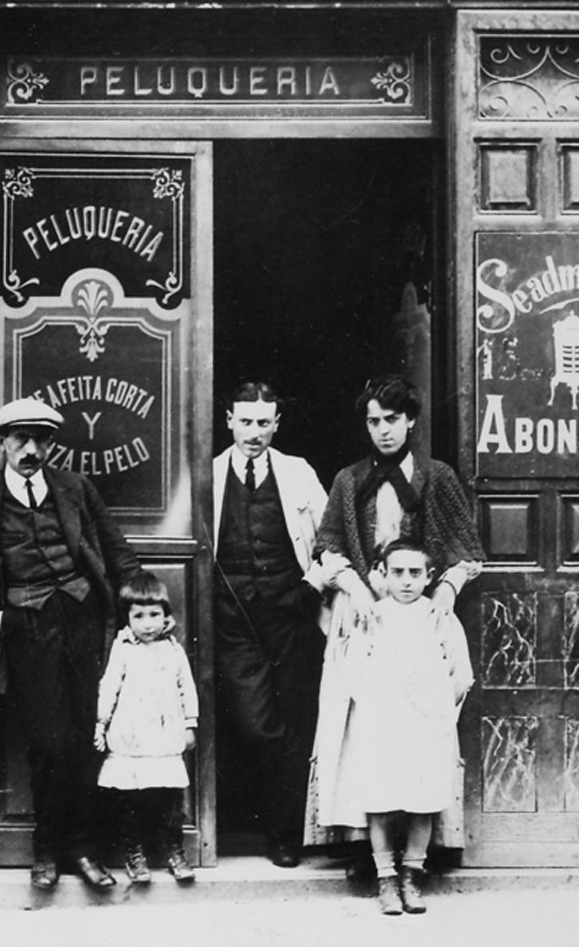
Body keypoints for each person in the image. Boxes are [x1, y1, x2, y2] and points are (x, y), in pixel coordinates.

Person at [305, 375, 484, 868]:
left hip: (418, 616)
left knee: (418, 728)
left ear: (410, 421)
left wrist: (447, 586)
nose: (382, 430)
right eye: (373, 421)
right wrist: (356, 586)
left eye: (391, 420)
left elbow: (466, 549)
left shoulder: (438, 476)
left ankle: (420, 852)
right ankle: (363, 843)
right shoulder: (348, 479)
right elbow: (328, 546)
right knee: (363, 724)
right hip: (363, 616)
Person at [0, 397, 141, 892]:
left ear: (50, 444)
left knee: (88, 735)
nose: (30, 449)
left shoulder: (74, 487)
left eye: (40, 439)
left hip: (83, 618)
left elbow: (115, 546)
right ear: (1, 442)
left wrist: (138, 600)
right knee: (46, 743)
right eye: (19, 439)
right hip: (27, 627)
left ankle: (82, 849)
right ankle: (45, 850)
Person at [213, 381, 329, 867]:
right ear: (229, 421)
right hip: (233, 619)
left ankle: (284, 835)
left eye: (264, 422)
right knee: (256, 726)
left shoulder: (297, 472)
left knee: (294, 723)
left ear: (277, 424)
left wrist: (310, 586)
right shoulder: (210, 471)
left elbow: (332, 539)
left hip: (291, 616)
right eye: (246, 421)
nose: (254, 432)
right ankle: (247, 823)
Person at [328, 539, 473, 915]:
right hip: (383, 723)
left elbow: (463, 671)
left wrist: (440, 709)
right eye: (398, 573)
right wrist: (377, 704)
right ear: (383, 575)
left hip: (425, 724)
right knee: (380, 800)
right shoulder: (373, 615)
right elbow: (353, 669)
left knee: (422, 802)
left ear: (429, 577)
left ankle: (412, 875)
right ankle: (386, 879)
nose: (406, 581)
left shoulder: (439, 615)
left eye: (415, 573)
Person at [94, 571, 199, 886]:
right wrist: (101, 724)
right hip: (131, 737)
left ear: (166, 616)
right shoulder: (123, 649)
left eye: (154, 614)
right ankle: (134, 852)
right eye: (139, 616)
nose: (148, 623)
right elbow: (108, 686)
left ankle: (173, 850)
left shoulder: (173, 650)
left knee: (169, 799)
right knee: (131, 801)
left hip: (165, 738)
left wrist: (190, 724)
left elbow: (187, 688)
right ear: (127, 619)